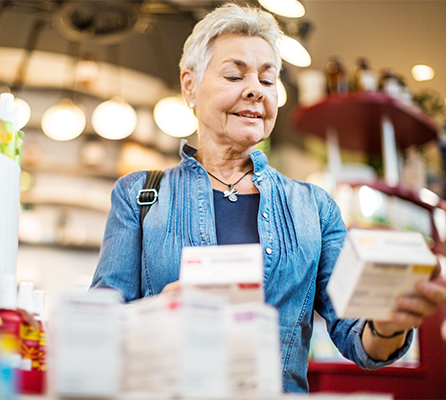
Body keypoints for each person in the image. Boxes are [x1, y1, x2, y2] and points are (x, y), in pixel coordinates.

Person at [91, 2, 446, 393]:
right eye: (234, 75)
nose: (255, 91)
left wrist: (390, 325)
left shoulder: (314, 207)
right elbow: (98, 329)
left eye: (267, 79)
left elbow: (357, 335)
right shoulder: (140, 195)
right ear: (190, 85)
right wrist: (156, 316)